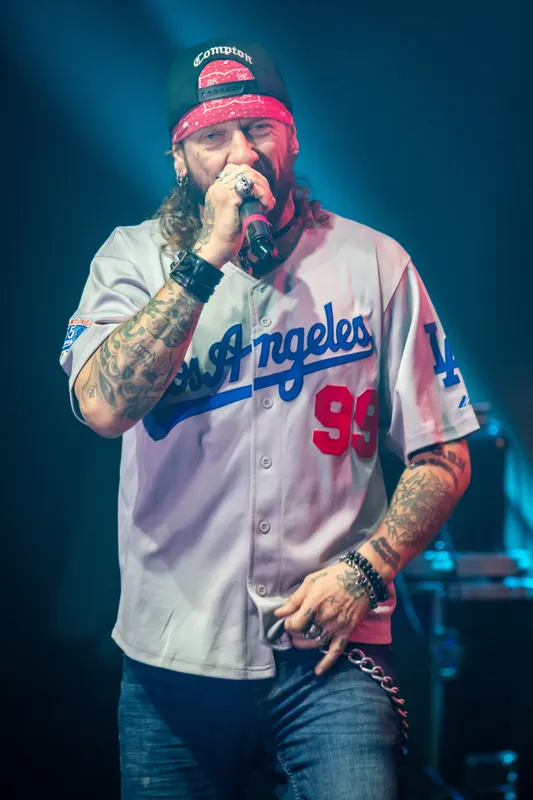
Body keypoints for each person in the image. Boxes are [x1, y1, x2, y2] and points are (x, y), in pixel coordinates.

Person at [60, 38, 480, 800]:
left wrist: (366, 569)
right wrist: (206, 257)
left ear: (292, 137)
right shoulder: (130, 260)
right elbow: (102, 407)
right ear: (178, 159)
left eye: (258, 128)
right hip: (172, 660)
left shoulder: (374, 263)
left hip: (331, 656)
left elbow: (444, 455)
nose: (240, 154)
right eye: (213, 137)